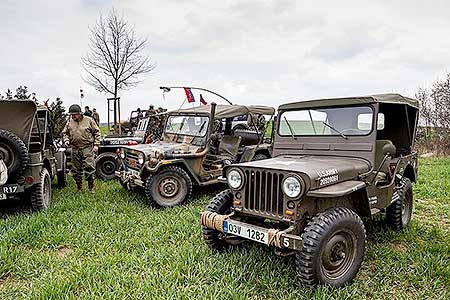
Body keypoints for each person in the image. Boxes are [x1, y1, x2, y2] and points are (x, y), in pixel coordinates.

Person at [63, 104, 101, 193]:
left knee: (89, 167)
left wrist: (96, 145)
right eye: (71, 115)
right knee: (76, 169)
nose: (73, 116)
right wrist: (66, 140)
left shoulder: (89, 120)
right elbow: (65, 133)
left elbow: (97, 132)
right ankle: (79, 188)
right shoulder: (69, 122)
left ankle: (91, 188)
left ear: (80, 113)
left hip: (87, 147)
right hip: (75, 148)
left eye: (75, 114)